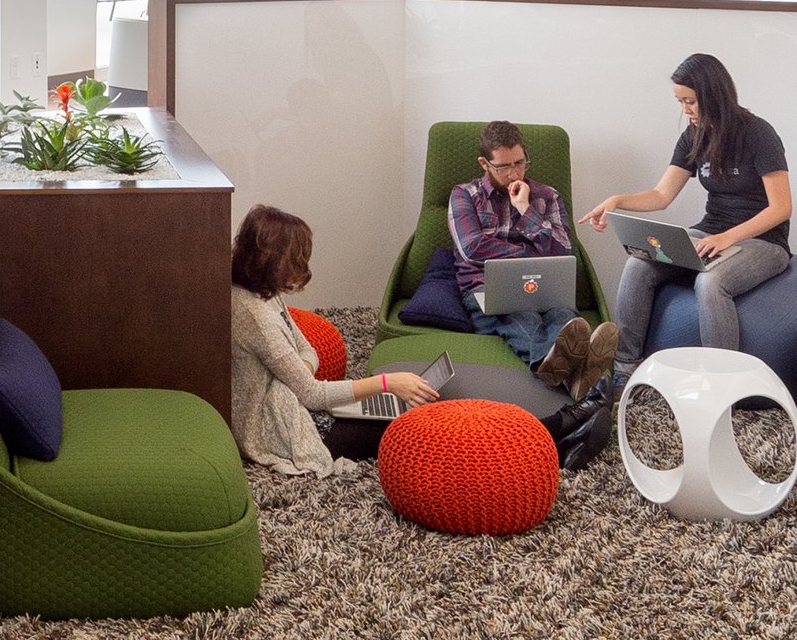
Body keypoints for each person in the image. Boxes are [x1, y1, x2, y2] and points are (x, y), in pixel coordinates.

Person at [581, 53, 793, 378]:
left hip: (763, 242)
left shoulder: (758, 134)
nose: (685, 110)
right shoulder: (694, 136)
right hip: (711, 234)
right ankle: (624, 371)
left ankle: (722, 380)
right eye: (680, 102)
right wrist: (616, 201)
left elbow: (781, 208)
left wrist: (727, 238)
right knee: (639, 263)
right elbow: (662, 195)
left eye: (690, 101)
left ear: (713, 95)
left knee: (710, 282)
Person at [227, 205, 435, 474]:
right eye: (296, 257)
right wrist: (387, 383)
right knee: (402, 424)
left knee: (382, 411)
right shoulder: (255, 316)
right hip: (275, 427)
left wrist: (300, 373)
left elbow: (307, 350)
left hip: (294, 402)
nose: (301, 265)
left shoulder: (265, 292)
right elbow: (313, 395)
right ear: (271, 258)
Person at [446, 123, 620, 389]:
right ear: (484, 164)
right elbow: (473, 248)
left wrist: (526, 210)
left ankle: (565, 373)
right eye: (503, 167)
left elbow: (563, 250)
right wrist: (532, 252)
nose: (514, 173)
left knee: (565, 317)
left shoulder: (547, 196)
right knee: (524, 317)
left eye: (520, 163)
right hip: (487, 288)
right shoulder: (464, 195)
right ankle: (581, 377)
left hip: (543, 285)